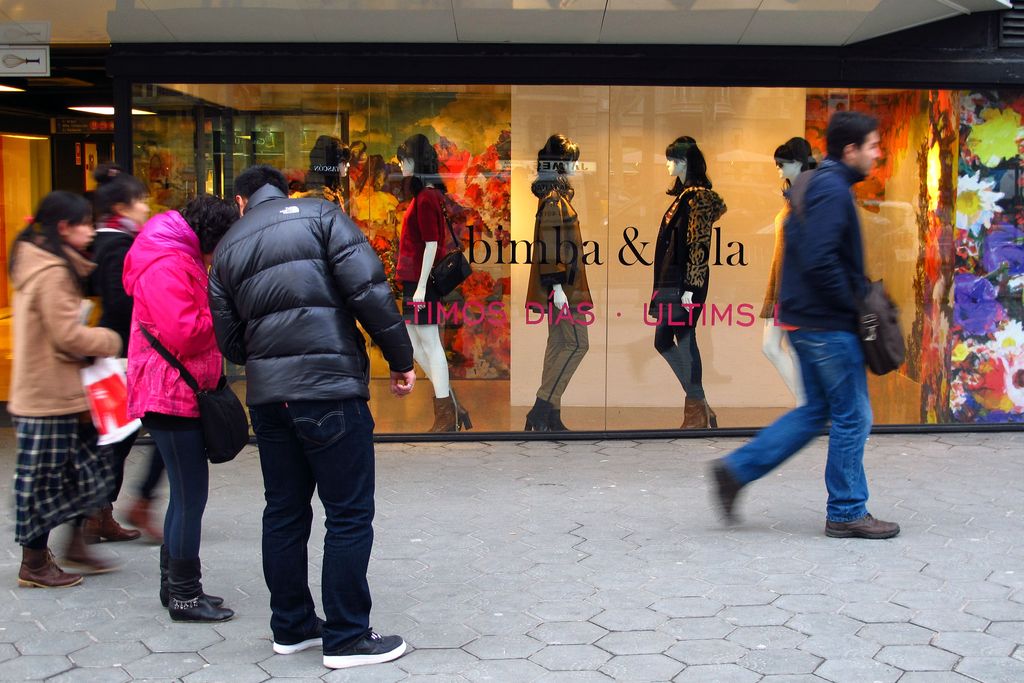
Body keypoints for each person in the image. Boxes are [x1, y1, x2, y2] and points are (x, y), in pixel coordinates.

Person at [209, 165, 415, 669]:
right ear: (282, 189)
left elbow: (232, 340)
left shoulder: (228, 248)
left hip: (269, 399)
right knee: (347, 513)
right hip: (329, 391)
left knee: (283, 511)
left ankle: (293, 626)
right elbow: (369, 291)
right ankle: (346, 637)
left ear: (242, 201)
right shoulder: (323, 215)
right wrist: (401, 358)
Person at [711, 111, 897, 539]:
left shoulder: (818, 184)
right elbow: (819, 260)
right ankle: (848, 510)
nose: (877, 153)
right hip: (829, 326)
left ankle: (735, 471)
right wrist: (854, 306)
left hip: (810, 321)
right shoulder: (831, 189)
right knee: (854, 417)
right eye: (872, 145)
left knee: (816, 411)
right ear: (850, 150)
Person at [123, 195, 238, 622]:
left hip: (174, 392)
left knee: (184, 496)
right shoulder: (168, 263)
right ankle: (186, 596)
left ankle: (174, 587)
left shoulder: (174, 254)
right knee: (190, 497)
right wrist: (227, 313)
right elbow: (186, 333)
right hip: (168, 393)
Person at [10, 191, 123, 587]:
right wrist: (108, 340)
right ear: (64, 227)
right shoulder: (52, 270)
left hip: (56, 391)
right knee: (44, 480)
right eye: (85, 223)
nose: (91, 231)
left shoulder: (46, 262)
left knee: (83, 473)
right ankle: (35, 563)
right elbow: (66, 336)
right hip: (48, 395)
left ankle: (74, 545)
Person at [88, 164, 166, 543]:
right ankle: (103, 510)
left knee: (118, 439)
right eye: (141, 200)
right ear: (121, 206)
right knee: (140, 435)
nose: (146, 207)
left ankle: (100, 511)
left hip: (120, 354)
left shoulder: (108, 241)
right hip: (122, 355)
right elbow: (122, 304)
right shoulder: (117, 246)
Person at [396, 133, 471, 432]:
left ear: (416, 161)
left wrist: (424, 287)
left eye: (405, 160)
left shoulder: (426, 197)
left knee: (429, 343)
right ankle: (452, 404)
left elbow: (431, 243)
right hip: (414, 281)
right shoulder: (426, 195)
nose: (401, 165)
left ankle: (446, 415)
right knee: (413, 344)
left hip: (420, 281)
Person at [651, 136, 726, 429]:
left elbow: (698, 244)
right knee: (664, 341)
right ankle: (701, 404)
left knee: (684, 340)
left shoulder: (700, 199)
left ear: (684, 162)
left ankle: (695, 412)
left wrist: (692, 288)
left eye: (672, 159)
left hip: (685, 285)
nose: (668, 164)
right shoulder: (683, 198)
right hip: (672, 283)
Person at [523, 134, 590, 432]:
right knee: (577, 343)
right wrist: (559, 289)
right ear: (562, 164)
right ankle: (541, 406)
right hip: (564, 288)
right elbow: (550, 247)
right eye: (572, 161)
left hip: (564, 287)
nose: (576, 166)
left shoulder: (555, 198)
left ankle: (551, 415)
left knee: (559, 344)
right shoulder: (553, 200)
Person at [759, 138, 816, 405]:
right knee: (774, 347)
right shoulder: (794, 195)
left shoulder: (809, 196)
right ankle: (808, 404)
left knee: (787, 347)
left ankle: (807, 406)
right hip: (782, 282)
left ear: (798, 163)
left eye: (782, 164)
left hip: (796, 285)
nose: (778, 169)